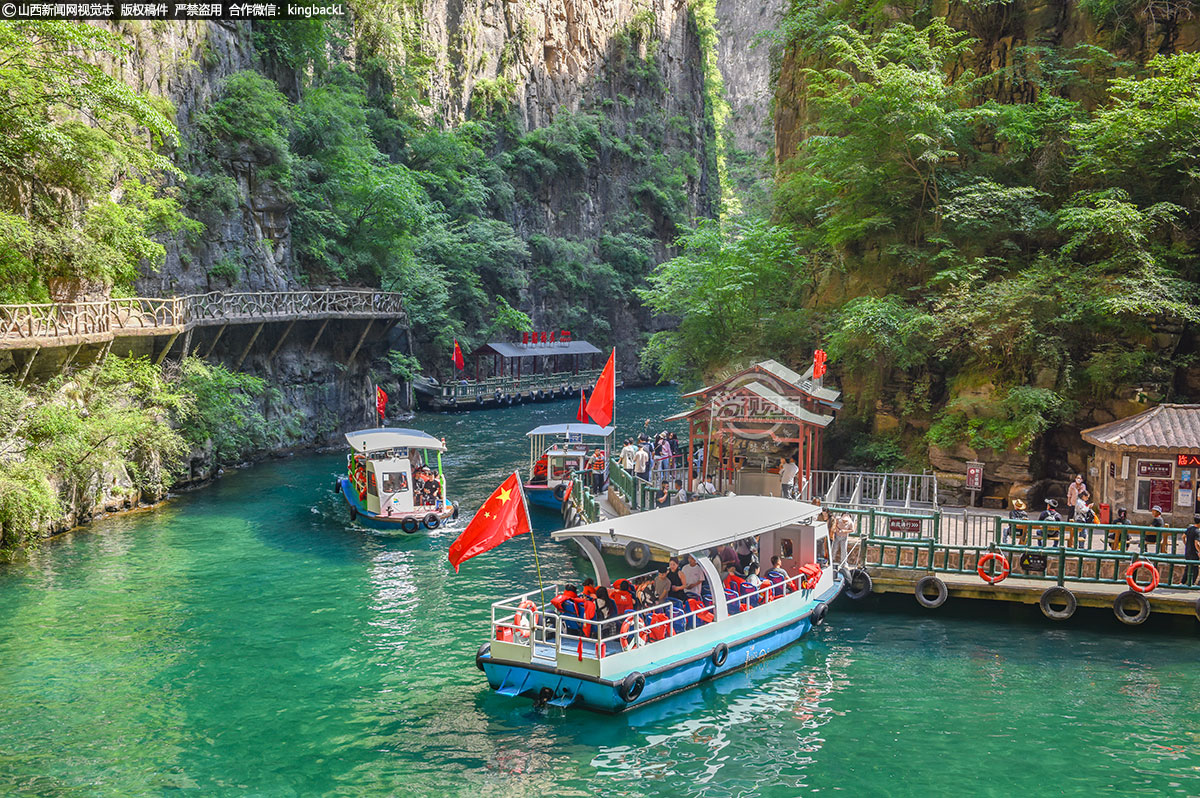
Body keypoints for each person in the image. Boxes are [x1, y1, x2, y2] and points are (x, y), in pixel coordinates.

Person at [1184, 514, 1200, 586]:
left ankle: (1183, 582)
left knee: (1187, 568)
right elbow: (1197, 543)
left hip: (1188, 551)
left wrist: (1186, 544)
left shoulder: (1189, 528)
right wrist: (1199, 551)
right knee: (1195, 569)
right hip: (1194, 552)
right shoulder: (1197, 531)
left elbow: (1183, 536)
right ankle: (1192, 584)